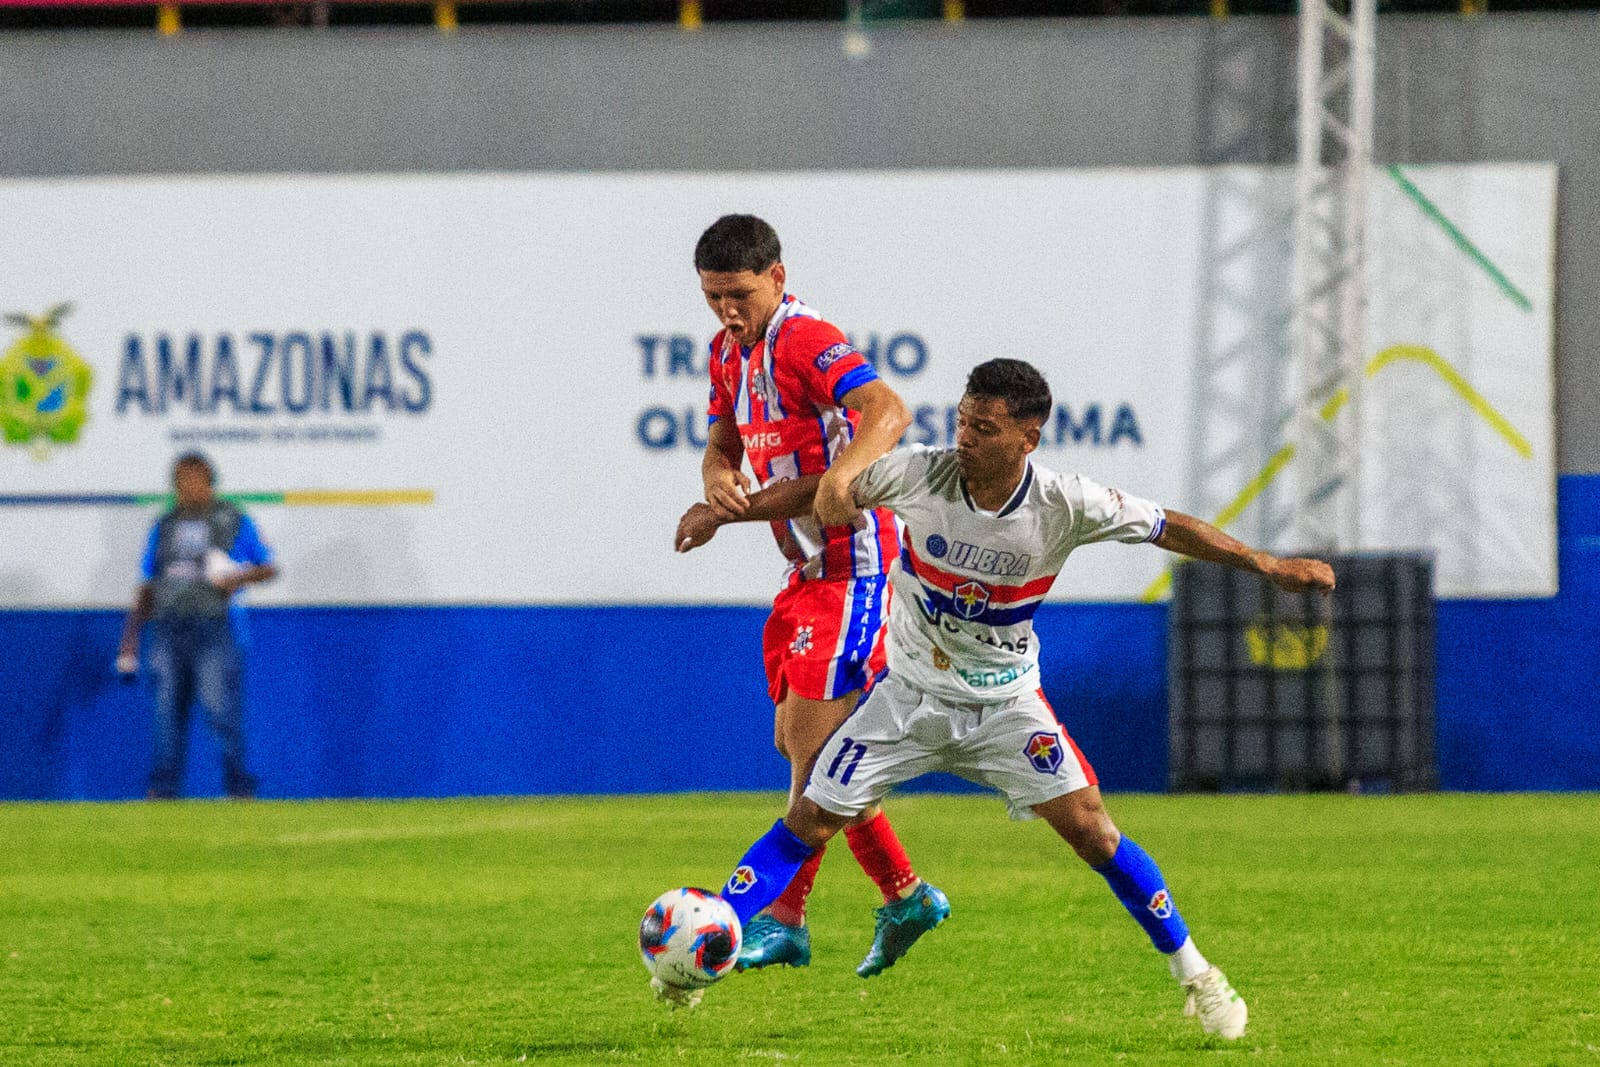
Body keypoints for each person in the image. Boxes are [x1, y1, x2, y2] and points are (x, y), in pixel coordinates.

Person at [691, 359, 1336, 1037]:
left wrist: (1267, 565)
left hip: (1005, 705)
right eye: (963, 418)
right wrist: (726, 511)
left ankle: (1199, 976)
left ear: (1027, 438)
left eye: (984, 427)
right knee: (809, 818)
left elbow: (1168, 526)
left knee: (1094, 831)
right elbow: (817, 489)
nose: (963, 435)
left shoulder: (1065, 503)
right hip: (907, 696)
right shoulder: (920, 473)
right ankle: (713, 934)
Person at [674, 214, 949, 978]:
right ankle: (903, 893)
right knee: (807, 748)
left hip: (856, 569)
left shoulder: (802, 337)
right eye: (712, 297)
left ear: (777, 279)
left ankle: (788, 917)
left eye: (739, 294)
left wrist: (843, 474)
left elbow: (887, 411)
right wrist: (714, 477)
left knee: (814, 750)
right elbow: (723, 438)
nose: (728, 311)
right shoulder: (729, 353)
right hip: (804, 576)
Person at [116, 451, 278, 800]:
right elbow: (147, 583)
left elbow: (268, 567)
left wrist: (236, 578)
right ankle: (164, 789)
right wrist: (129, 639)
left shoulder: (233, 519)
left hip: (215, 627)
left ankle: (239, 788)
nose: (187, 487)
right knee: (165, 714)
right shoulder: (165, 525)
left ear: (209, 481)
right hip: (168, 627)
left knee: (220, 710)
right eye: (180, 481)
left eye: (194, 479)